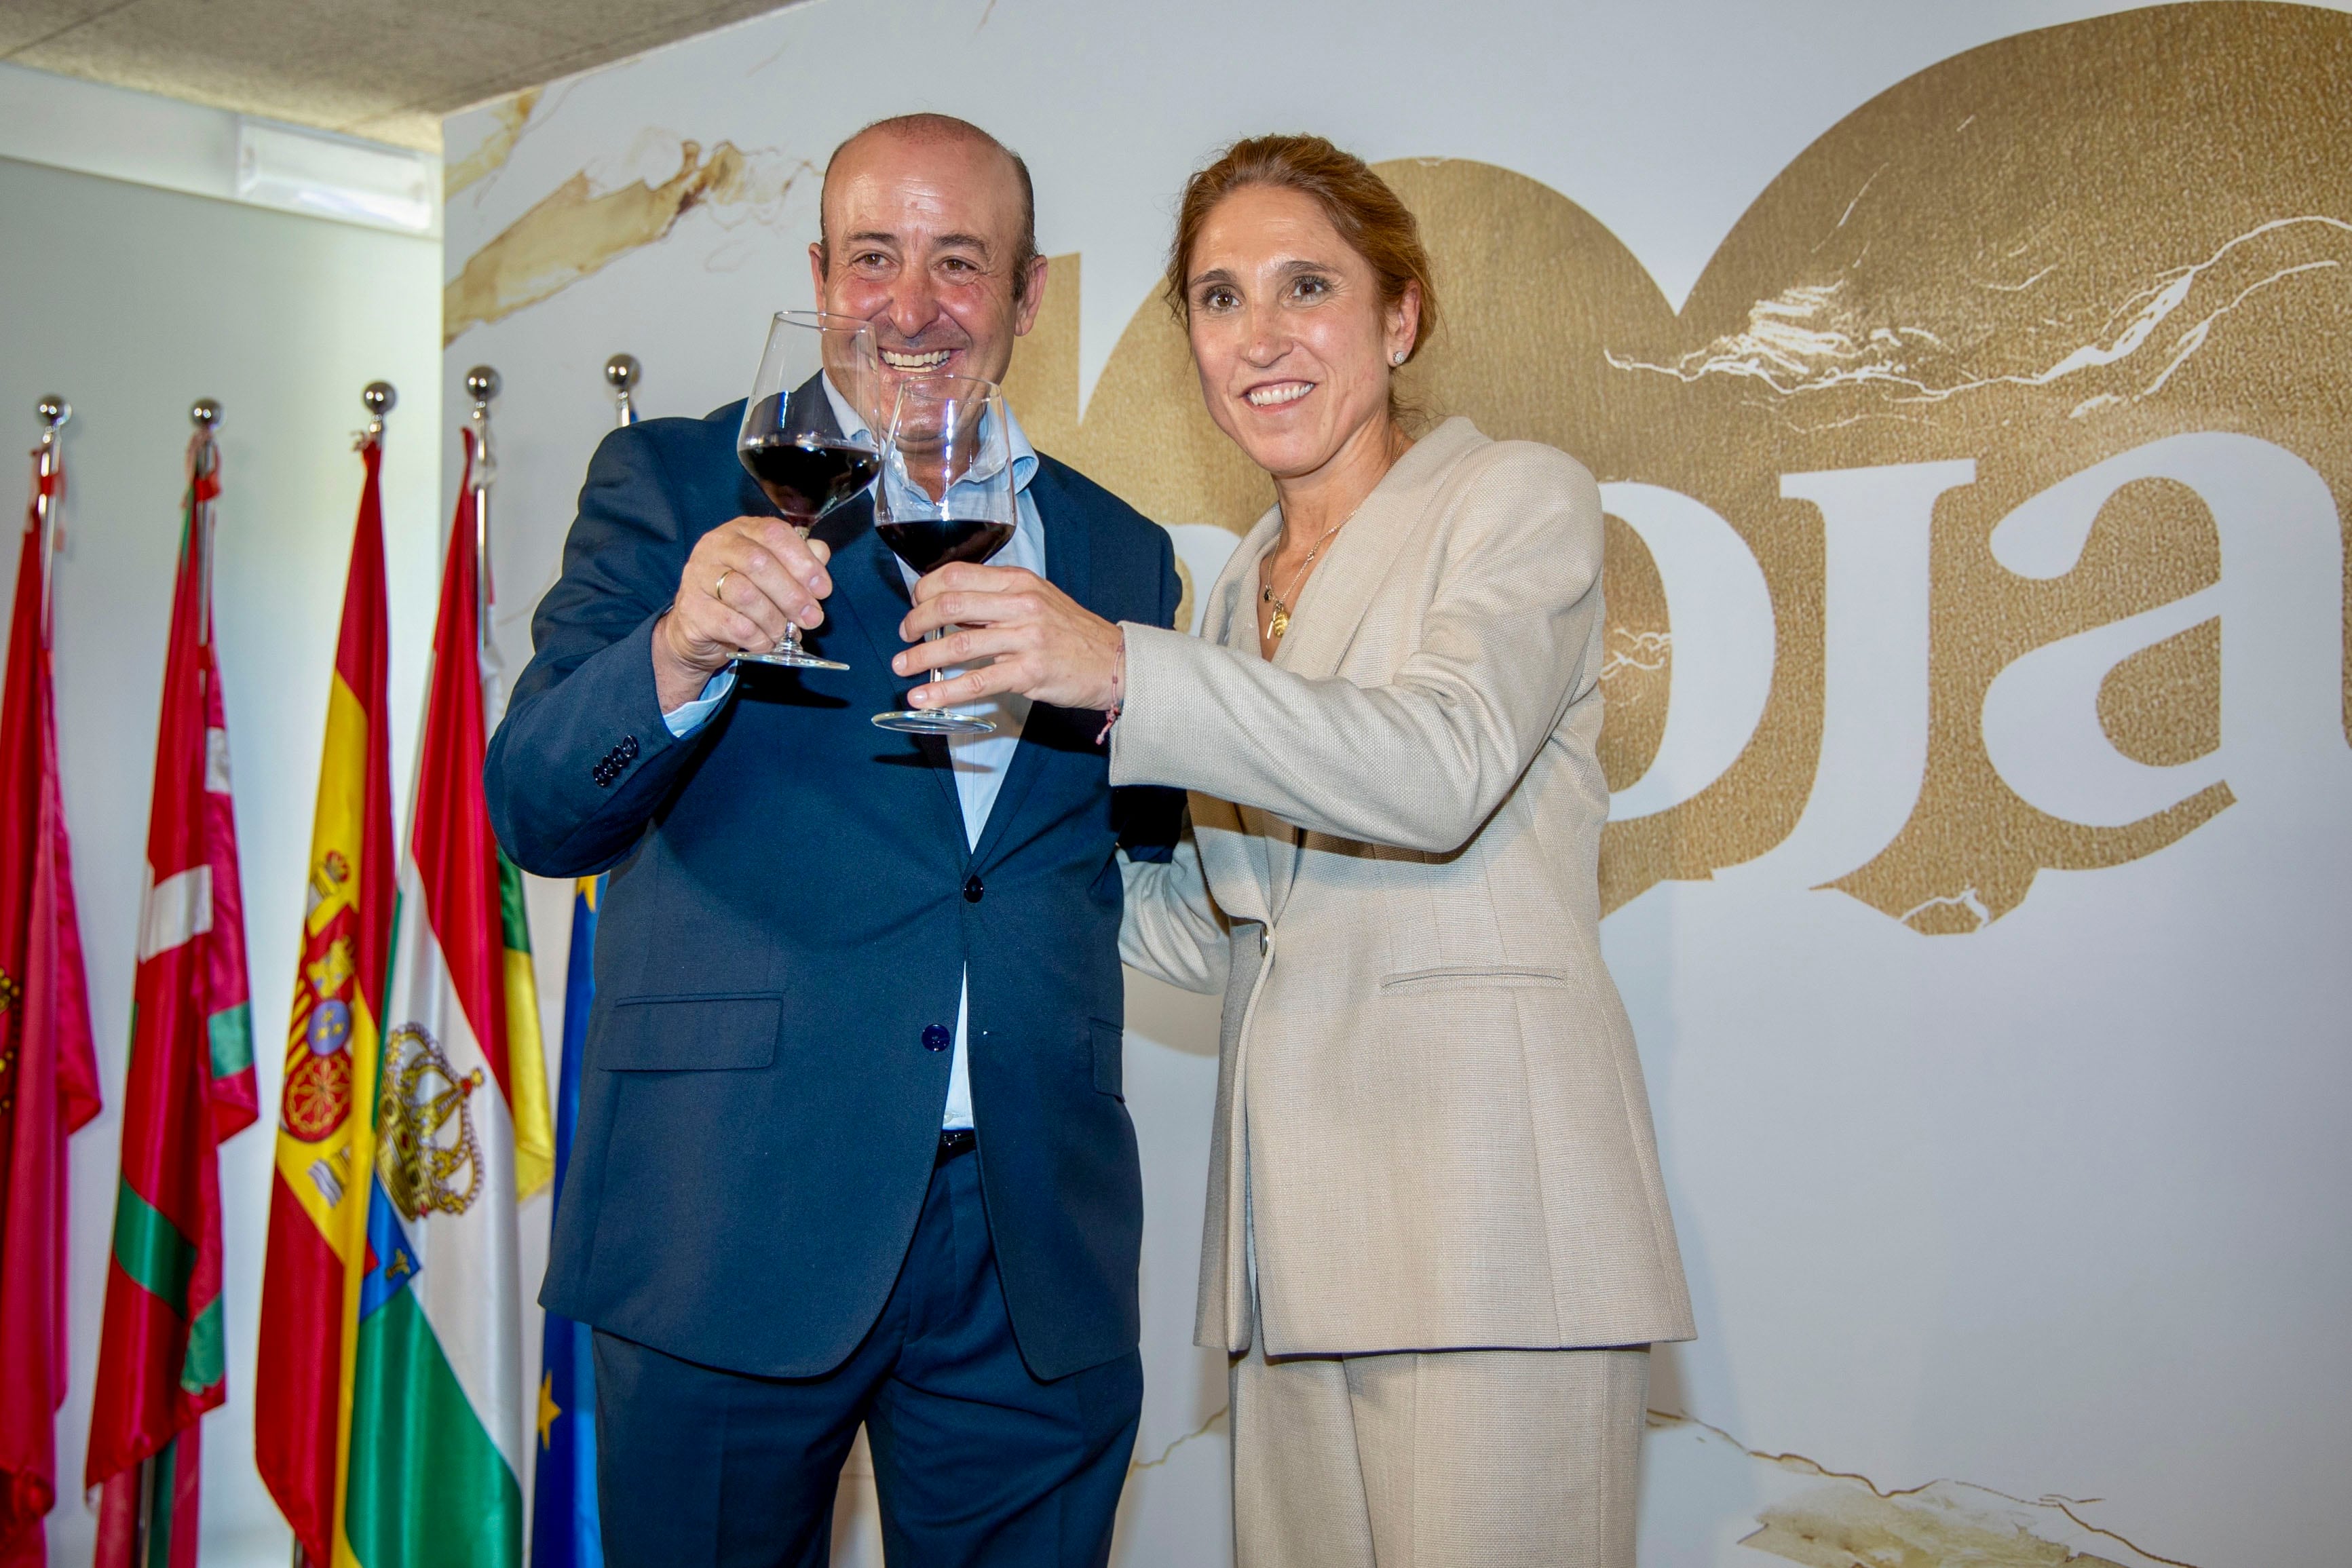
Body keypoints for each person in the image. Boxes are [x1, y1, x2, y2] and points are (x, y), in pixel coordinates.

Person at [892, 134, 1695, 1567]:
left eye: (1304, 287)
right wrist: (968, 863)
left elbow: (1440, 767)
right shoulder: (1222, 598)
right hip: (1286, 1244)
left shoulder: (1513, 498)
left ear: (1399, 318)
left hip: (1488, 1223)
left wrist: (1116, 669)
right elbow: (1217, 926)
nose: (1257, 336)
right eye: (1218, 298)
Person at [484, 113, 1183, 1567]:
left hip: (1030, 1247)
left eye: (957, 263)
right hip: (725, 1216)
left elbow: (1132, 858)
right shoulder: (672, 482)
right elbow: (538, 807)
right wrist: (678, 649)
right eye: (872, 259)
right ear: (817, 276)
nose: (909, 308)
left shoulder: (1123, 551)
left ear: (1028, 294)